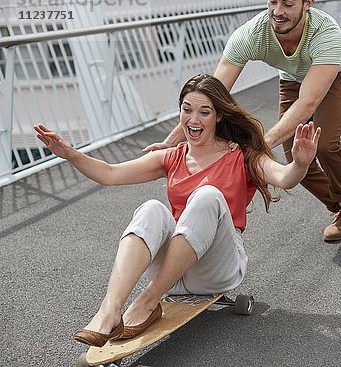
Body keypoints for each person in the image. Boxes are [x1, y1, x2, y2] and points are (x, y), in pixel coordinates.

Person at [34, 73, 321, 347]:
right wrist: (69, 153)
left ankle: (147, 301)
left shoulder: (242, 155)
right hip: (174, 271)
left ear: (219, 115)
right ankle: (109, 311)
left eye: (204, 112)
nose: (193, 120)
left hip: (217, 268)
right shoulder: (172, 156)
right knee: (152, 209)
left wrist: (300, 163)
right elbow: (110, 174)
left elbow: (284, 177)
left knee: (207, 195)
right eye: (187, 110)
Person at [144, 0, 341, 248]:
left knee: (323, 144)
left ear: (307, 3)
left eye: (288, 4)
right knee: (295, 155)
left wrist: (260, 144)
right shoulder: (253, 34)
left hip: (334, 75)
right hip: (292, 78)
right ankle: (340, 210)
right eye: (272, 0)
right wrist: (169, 142)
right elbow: (211, 95)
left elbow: (308, 102)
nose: (278, 10)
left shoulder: (327, 35)